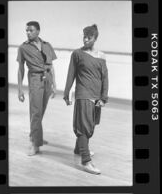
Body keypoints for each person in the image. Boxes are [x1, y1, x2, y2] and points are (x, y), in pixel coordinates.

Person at [63, 24, 109, 175]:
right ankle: (86, 160)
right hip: (83, 95)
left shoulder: (101, 56)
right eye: (84, 36)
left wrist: (103, 97)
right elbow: (71, 74)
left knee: (91, 126)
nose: (85, 39)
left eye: (89, 37)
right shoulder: (77, 54)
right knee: (83, 127)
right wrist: (66, 92)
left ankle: (79, 148)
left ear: (95, 38)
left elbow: (105, 78)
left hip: (96, 97)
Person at [17, 21, 57, 156]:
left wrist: (54, 84)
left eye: (31, 30)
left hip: (47, 79)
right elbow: (21, 68)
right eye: (26, 30)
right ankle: (35, 143)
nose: (28, 32)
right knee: (35, 111)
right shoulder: (23, 48)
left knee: (41, 110)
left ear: (38, 31)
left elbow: (51, 66)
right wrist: (20, 88)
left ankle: (35, 136)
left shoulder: (47, 45)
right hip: (34, 79)